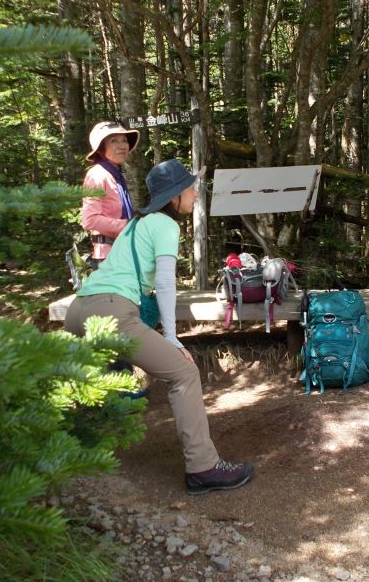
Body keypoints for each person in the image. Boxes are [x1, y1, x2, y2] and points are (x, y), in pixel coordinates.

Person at [64, 159, 255, 495]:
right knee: (183, 373)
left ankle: (70, 467)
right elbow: (166, 283)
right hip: (112, 312)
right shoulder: (166, 226)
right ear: (173, 196)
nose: (195, 194)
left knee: (89, 387)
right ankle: (203, 468)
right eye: (189, 189)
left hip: (78, 310)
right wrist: (172, 337)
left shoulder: (136, 224)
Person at [82, 121, 140, 269]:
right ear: (101, 149)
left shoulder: (115, 175)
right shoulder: (97, 175)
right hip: (108, 257)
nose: (122, 146)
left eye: (124, 140)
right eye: (114, 141)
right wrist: (127, 225)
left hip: (122, 252)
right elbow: (89, 220)